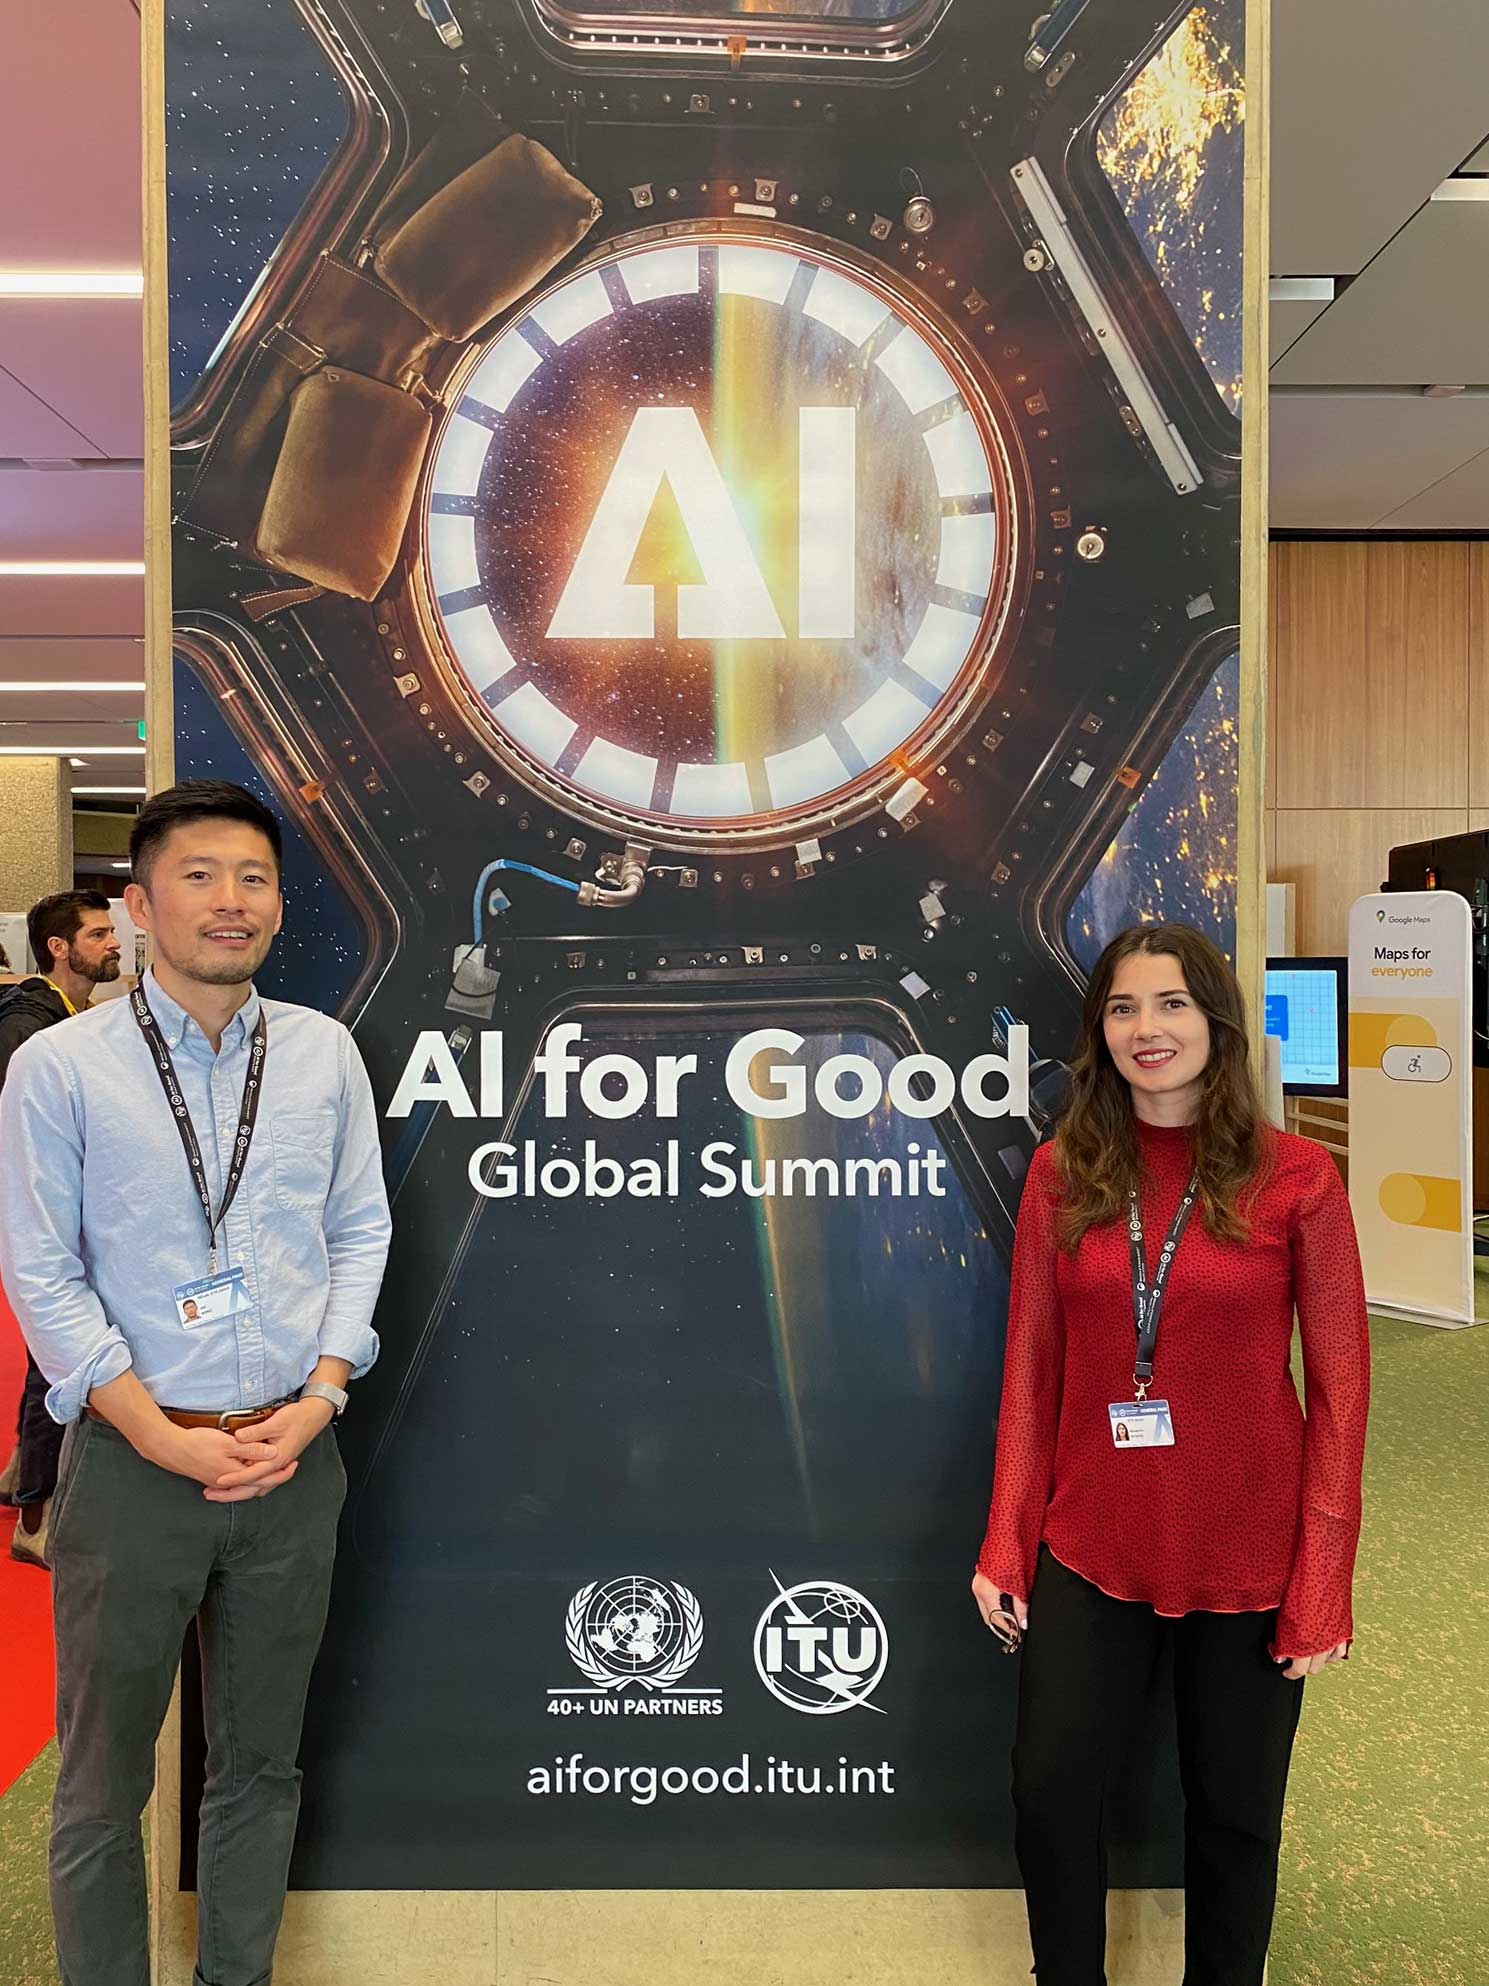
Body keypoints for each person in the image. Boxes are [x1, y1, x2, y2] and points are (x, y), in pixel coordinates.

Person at [0, 779, 392, 1986]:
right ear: (137, 903)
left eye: (254, 879)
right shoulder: (62, 1068)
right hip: (135, 1465)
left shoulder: (322, 1053)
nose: (231, 902)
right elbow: (43, 1274)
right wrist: (157, 1436)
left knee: (261, 1766)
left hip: (289, 1463)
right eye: (199, 875)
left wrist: (320, 1398)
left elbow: (357, 1233)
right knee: (102, 1785)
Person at [970, 921, 1369, 1986]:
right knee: (1048, 1793)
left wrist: (1322, 1581)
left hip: (1248, 1553)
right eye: (1122, 1009)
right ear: (1099, 1034)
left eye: (1172, 1004)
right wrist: (1005, 1543)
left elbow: (1340, 1395)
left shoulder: (1298, 1183)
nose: (1148, 1029)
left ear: (1216, 1023)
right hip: (1093, 1541)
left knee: (1236, 1819)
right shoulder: (1062, 1175)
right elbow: (1030, 1372)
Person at [0, 890, 122, 1565]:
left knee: (47, 1364)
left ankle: (23, 1476)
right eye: (100, 933)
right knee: (58, 1366)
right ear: (58, 947)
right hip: (52, 1219)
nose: (114, 944)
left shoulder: (74, 1015)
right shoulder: (30, 1026)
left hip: (73, 1213)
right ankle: (34, 1521)